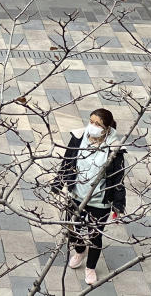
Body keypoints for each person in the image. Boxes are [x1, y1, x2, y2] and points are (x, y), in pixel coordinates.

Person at [52, 108, 126, 286]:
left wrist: (118, 204)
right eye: (91, 121)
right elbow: (68, 161)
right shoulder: (78, 137)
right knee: (71, 229)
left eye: (98, 124)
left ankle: (90, 267)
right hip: (76, 194)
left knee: (94, 235)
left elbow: (118, 177)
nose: (92, 126)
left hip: (99, 201)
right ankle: (79, 250)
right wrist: (58, 182)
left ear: (106, 128)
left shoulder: (114, 149)